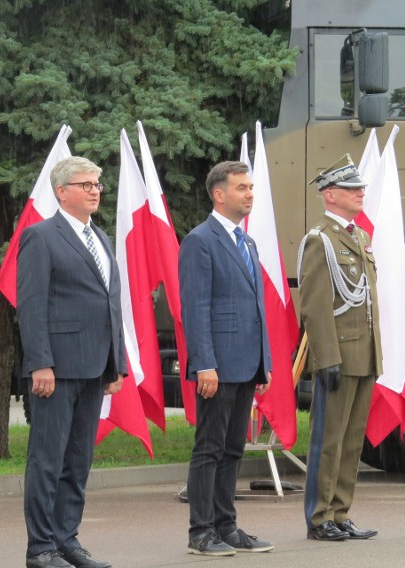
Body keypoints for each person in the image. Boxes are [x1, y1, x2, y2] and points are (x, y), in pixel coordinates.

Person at [17, 156, 126, 568]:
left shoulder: (99, 237)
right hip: (57, 369)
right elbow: (31, 305)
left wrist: (116, 363)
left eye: (97, 184)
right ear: (62, 191)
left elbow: (110, 304)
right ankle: (40, 547)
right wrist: (40, 362)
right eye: (86, 184)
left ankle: (67, 540)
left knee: (78, 460)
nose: (95, 190)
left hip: (95, 367)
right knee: (47, 459)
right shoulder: (41, 237)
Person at [179, 160, 274, 557]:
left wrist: (263, 361)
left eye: (251, 187)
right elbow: (196, 307)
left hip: (246, 363)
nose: (250, 193)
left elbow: (256, 307)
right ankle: (201, 532)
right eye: (241, 188)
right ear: (219, 195)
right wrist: (205, 363)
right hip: (216, 365)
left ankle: (227, 525)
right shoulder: (201, 240)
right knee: (210, 448)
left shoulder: (247, 242)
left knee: (234, 448)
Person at [298, 155, 382, 542]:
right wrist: (326, 358)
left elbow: (365, 301)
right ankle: (319, 517)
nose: (360, 192)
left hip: (363, 352)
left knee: (351, 440)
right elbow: (315, 307)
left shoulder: (359, 237)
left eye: (360, 187)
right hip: (339, 355)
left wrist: (376, 352)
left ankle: (340, 510)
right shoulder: (321, 240)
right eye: (352, 188)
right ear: (330, 195)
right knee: (328, 439)